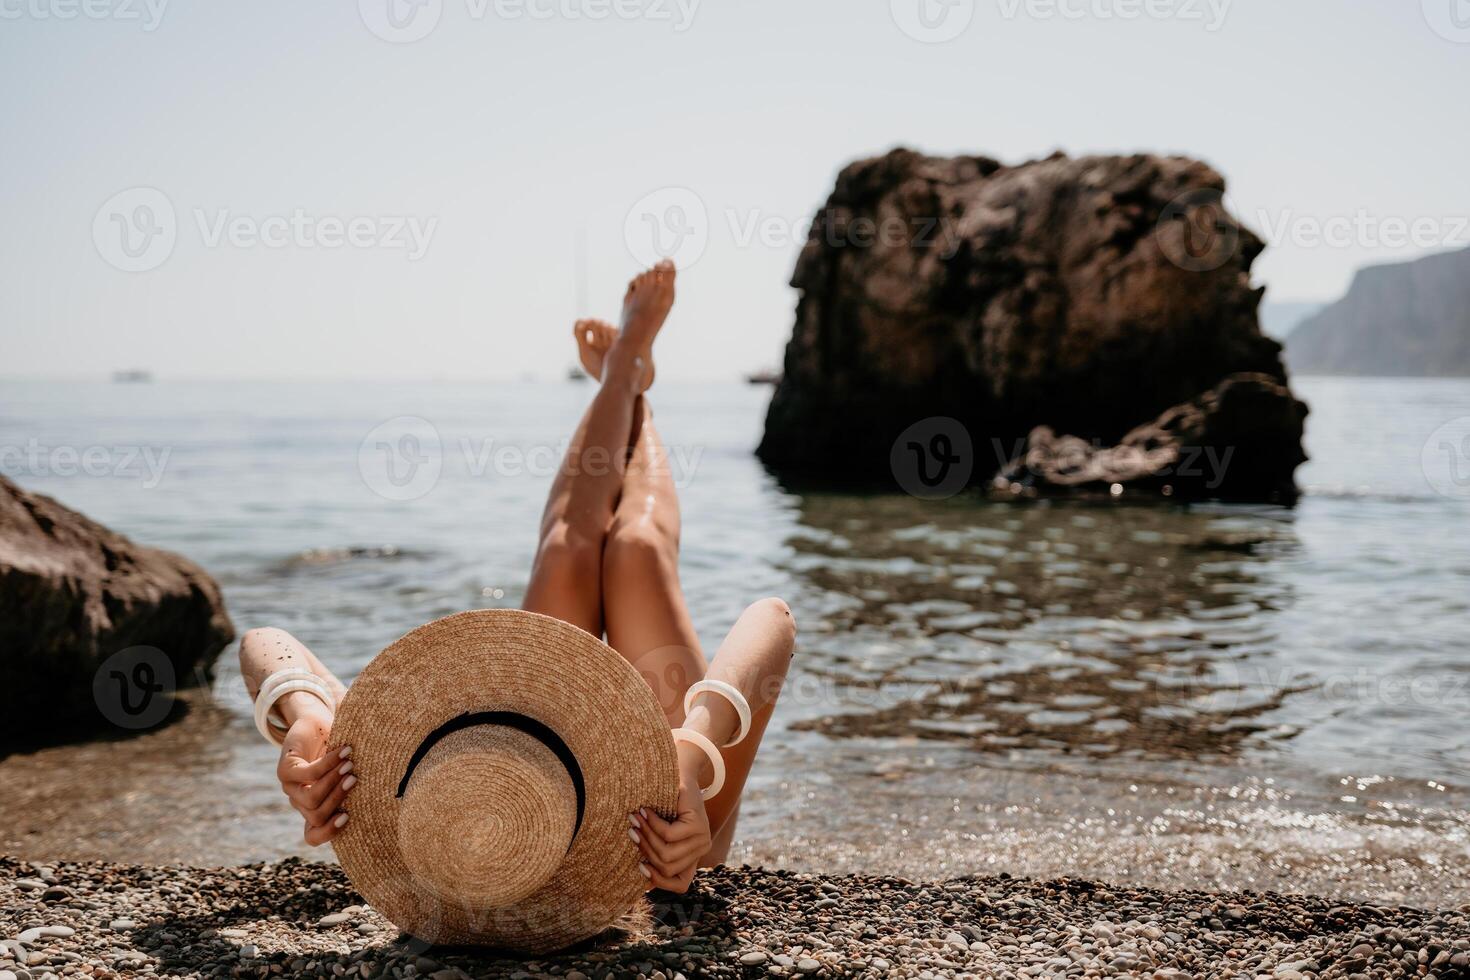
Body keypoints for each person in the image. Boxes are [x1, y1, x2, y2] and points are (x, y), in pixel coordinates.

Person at [239, 259, 795, 894]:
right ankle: (629, 379)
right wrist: (692, 747)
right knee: (636, 547)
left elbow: (261, 641)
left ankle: (623, 374)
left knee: (567, 548)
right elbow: (772, 620)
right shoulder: (672, 836)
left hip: (530, 715)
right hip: (651, 789)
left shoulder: (395, 803)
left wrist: (305, 713)